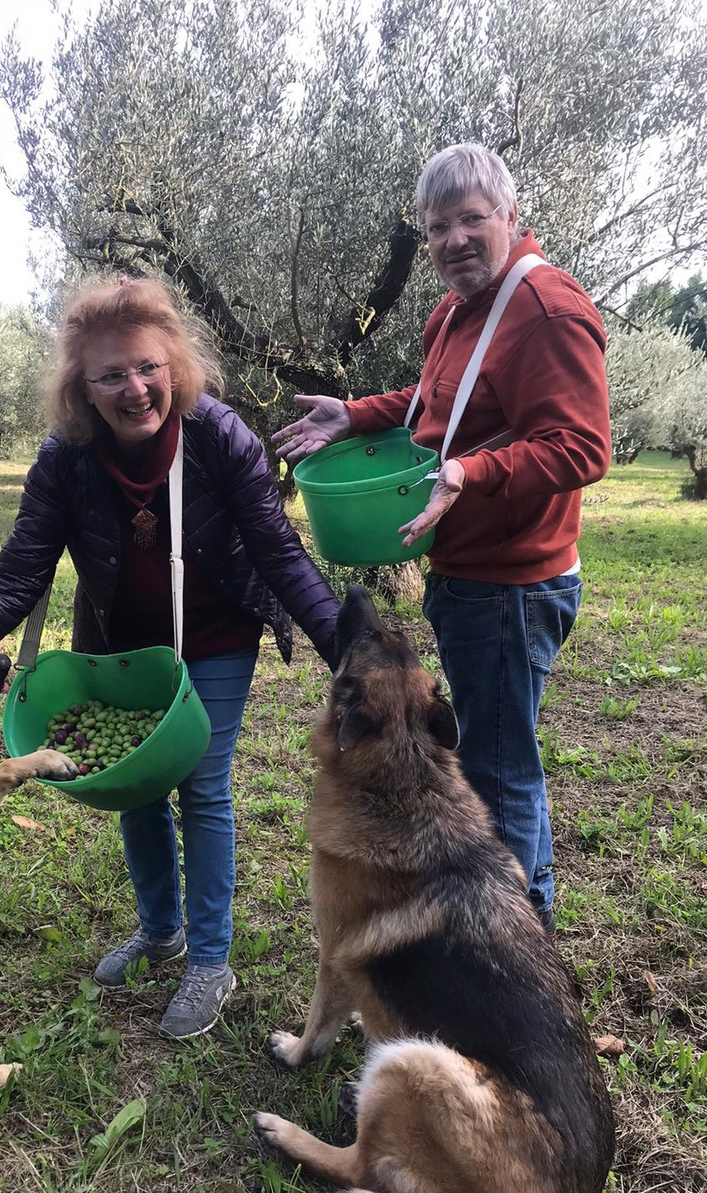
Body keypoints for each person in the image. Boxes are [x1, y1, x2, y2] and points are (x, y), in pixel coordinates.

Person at [0, 275, 339, 1038]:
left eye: (148, 366)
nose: (134, 388)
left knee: (202, 784)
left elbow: (280, 554)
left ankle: (210, 959)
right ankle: (161, 929)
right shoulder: (66, 459)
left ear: (175, 365)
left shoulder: (220, 437)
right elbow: (20, 574)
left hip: (214, 634)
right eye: (110, 374)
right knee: (137, 786)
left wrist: (344, 644)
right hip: (119, 644)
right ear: (81, 388)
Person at [273, 143, 611, 933]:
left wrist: (469, 474)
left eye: (470, 220)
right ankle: (530, 913)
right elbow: (433, 399)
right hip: (470, 576)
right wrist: (354, 414)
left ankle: (513, 946)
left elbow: (583, 446)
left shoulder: (547, 312)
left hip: (511, 585)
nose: (453, 240)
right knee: (504, 755)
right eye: (436, 228)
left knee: (496, 771)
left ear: (510, 217)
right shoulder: (459, 310)